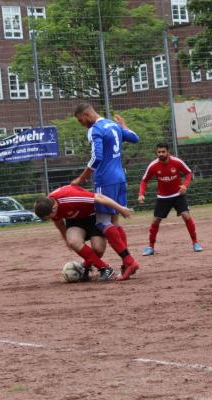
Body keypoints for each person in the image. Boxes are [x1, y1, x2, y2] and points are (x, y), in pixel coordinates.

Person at [72, 103, 140, 281]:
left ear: (87, 114)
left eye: (81, 120)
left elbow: (97, 157)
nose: (82, 124)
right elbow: (135, 138)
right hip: (120, 178)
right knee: (115, 222)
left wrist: (82, 178)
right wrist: (124, 126)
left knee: (102, 222)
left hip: (105, 179)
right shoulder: (112, 124)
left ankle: (129, 260)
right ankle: (127, 264)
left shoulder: (95, 129)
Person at [34, 185, 131, 282]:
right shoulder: (48, 205)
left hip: (93, 217)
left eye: (49, 217)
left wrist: (121, 209)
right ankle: (105, 268)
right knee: (73, 241)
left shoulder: (71, 198)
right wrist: (66, 239)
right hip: (74, 221)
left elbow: (100, 197)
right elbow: (59, 222)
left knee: (98, 249)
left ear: (54, 208)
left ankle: (85, 267)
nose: (50, 219)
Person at [138, 142, 203, 255]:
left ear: (168, 152)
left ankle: (195, 243)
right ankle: (150, 247)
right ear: (156, 153)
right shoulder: (153, 165)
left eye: (163, 152)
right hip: (162, 197)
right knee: (155, 221)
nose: (161, 154)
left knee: (186, 216)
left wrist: (185, 185)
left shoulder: (177, 162)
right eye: (159, 152)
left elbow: (188, 173)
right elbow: (144, 180)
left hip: (178, 195)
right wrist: (141, 193)